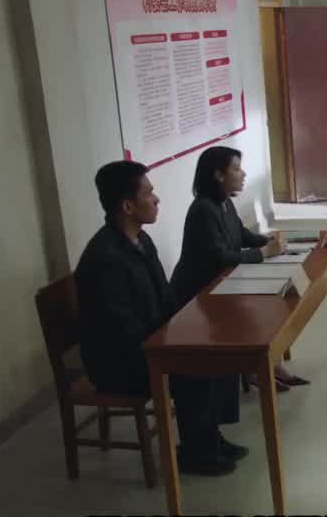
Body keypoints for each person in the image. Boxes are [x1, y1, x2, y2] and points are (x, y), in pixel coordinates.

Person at [75, 161, 234, 476]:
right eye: (148, 193)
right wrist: (172, 347)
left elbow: (164, 297)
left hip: (150, 344)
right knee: (194, 370)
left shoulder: (141, 241)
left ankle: (209, 441)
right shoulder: (105, 259)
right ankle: (196, 454)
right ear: (127, 206)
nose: (156, 198)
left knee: (214, 352)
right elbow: (121, 330)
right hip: (119, 363)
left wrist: (187, 328)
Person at [169, 145, 309, 388]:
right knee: (260, 308)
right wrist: (263, 253)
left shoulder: (223, 201)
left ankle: (265, 364)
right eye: (236, 169)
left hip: (224, 281)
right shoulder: (203, 209)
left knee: (269, 306)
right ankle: (255, 367)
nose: (243, 173)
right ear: (218, 175)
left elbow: (240, 234)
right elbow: (221, 258)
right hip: (199, 292)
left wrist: (266, 241)